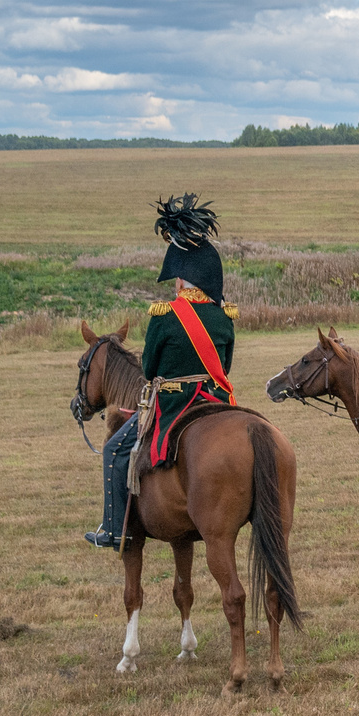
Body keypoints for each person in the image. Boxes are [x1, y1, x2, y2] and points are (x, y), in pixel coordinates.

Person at [90, 195, 238, 549]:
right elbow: (226, 366)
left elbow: (149, 368)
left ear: (181, 281)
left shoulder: (163, 315)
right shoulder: (224, 317)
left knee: (114, 451)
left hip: (172, 405)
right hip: (217, 401)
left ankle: (115, 530)